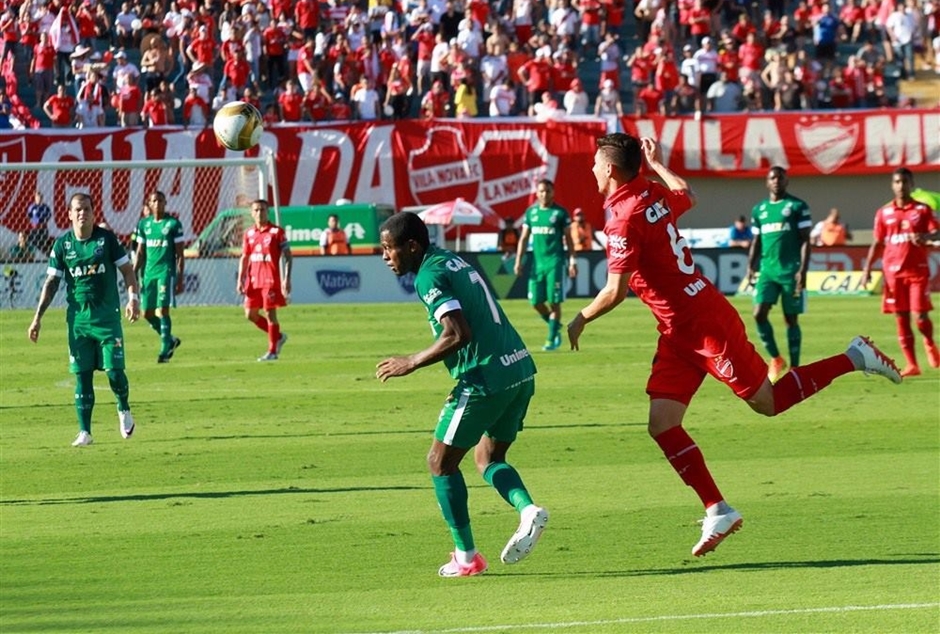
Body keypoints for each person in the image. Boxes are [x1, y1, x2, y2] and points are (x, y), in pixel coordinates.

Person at [567, 133, 901, 558]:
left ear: (611, 169)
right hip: (676, 331)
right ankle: (717, 509)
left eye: (596, 163)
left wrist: (580, 319)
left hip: (705, 324)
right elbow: (686, 193)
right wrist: (657, 166)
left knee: (769, 402)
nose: (592, 169)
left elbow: (615, 291)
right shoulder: (647, 192)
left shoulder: (623, 218)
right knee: (662, 423)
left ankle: (856, 356)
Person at [375, 211, 548, 578]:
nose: (385, 256)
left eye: (389, 249)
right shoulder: (453, 259)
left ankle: (466, 557)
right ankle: (527, 509)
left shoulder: (428, 275)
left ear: (411, 246)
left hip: (485, 378)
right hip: (519, 368)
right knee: (487, 458)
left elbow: (457, 333)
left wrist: (412, 361)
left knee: (440, 462)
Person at [27, 192, 141, 447]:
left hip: (107, 319)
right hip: (78, 322)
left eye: (87, 209)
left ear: (93, 212)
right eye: (77, 209)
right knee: (82, 375)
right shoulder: (62, 245)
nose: (82, 213)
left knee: (114, 372)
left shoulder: (106, 239)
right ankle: (85, 432)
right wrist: (37, 318)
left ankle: (123, 408)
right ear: (69, 214)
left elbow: (126, 270)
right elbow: (52, 282)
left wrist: (133, 299)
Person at [861, 168, 940, 377]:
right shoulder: (883, 213)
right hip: (893, 274)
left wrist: (924, 236)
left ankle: (929, 341)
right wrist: (867, 269)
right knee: (901, 317)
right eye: (897, 182)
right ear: (892, 185)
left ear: (911, 184)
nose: (901, 185)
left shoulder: (922, 210)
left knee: (920, 315)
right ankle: (912, 365)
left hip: (917, 272)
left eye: (905, 181)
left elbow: (936, 231)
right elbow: (877, 242)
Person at [747, 166, 812, 382]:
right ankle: (776, 358)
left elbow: (805, 241)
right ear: (767, 182)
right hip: (767, 270)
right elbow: (756, 241)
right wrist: (750, 266)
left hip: (790, 271)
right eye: (772, 178)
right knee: (758, 313)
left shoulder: (797, 206)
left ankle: (795, 367)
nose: (776, 181)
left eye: (780, 177)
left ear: (786, 181)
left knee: (790, 319)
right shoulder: (759, 210)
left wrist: (802, 270)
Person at [513, 179, 578, 351]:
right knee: (535, 302)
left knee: (554, 302)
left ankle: (551, 339)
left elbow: (569, 240)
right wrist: (519, 260)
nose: (544, 194)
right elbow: (524, 238)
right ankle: (554, 325)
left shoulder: (560, 213)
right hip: (537, 265)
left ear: (553, 192)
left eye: (548, 191)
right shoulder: (531, 213)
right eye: (541, 191)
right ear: (537, 193)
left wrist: (572, 261)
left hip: (555, 263)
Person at [236, 199, 291, 361]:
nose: (260, 213)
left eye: (263, 210)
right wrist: (240, 279)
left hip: (270, 280)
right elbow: (245, 257)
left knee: (269, 314)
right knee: (250, 314)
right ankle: (278, 337)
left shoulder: (277, 232)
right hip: (253, 280)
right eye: (257, 210)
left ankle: (272, 351)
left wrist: (287, 277)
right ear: (252, 213)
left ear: (268, 212)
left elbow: (288, 256)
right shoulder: (249, 233)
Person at [133, 191, 184, 363]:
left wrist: (180, 277)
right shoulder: (144, 225)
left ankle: (164, 351)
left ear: (165, 202)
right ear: (149, 203)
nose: (158, 203)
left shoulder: (173, 224)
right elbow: (140, 252)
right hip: (148, 274)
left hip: (165, 272)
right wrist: (133, 273)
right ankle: (170, 340)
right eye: (154, 200)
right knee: (146, 313)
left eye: (161, 200)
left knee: (162, 310)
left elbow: (180, 255)